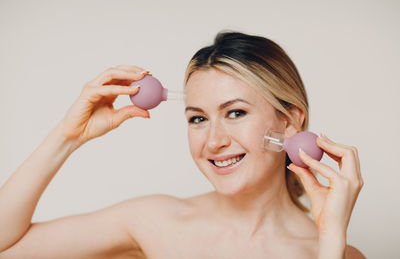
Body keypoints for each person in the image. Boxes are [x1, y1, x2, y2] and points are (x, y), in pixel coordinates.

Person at [0, 31, 365, 258]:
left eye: (236, 113)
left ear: (288, 122)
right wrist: (67, 137)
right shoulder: (154, 221)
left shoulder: (335, 252)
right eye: (198, 118)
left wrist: (330, 238)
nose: (214, 141)